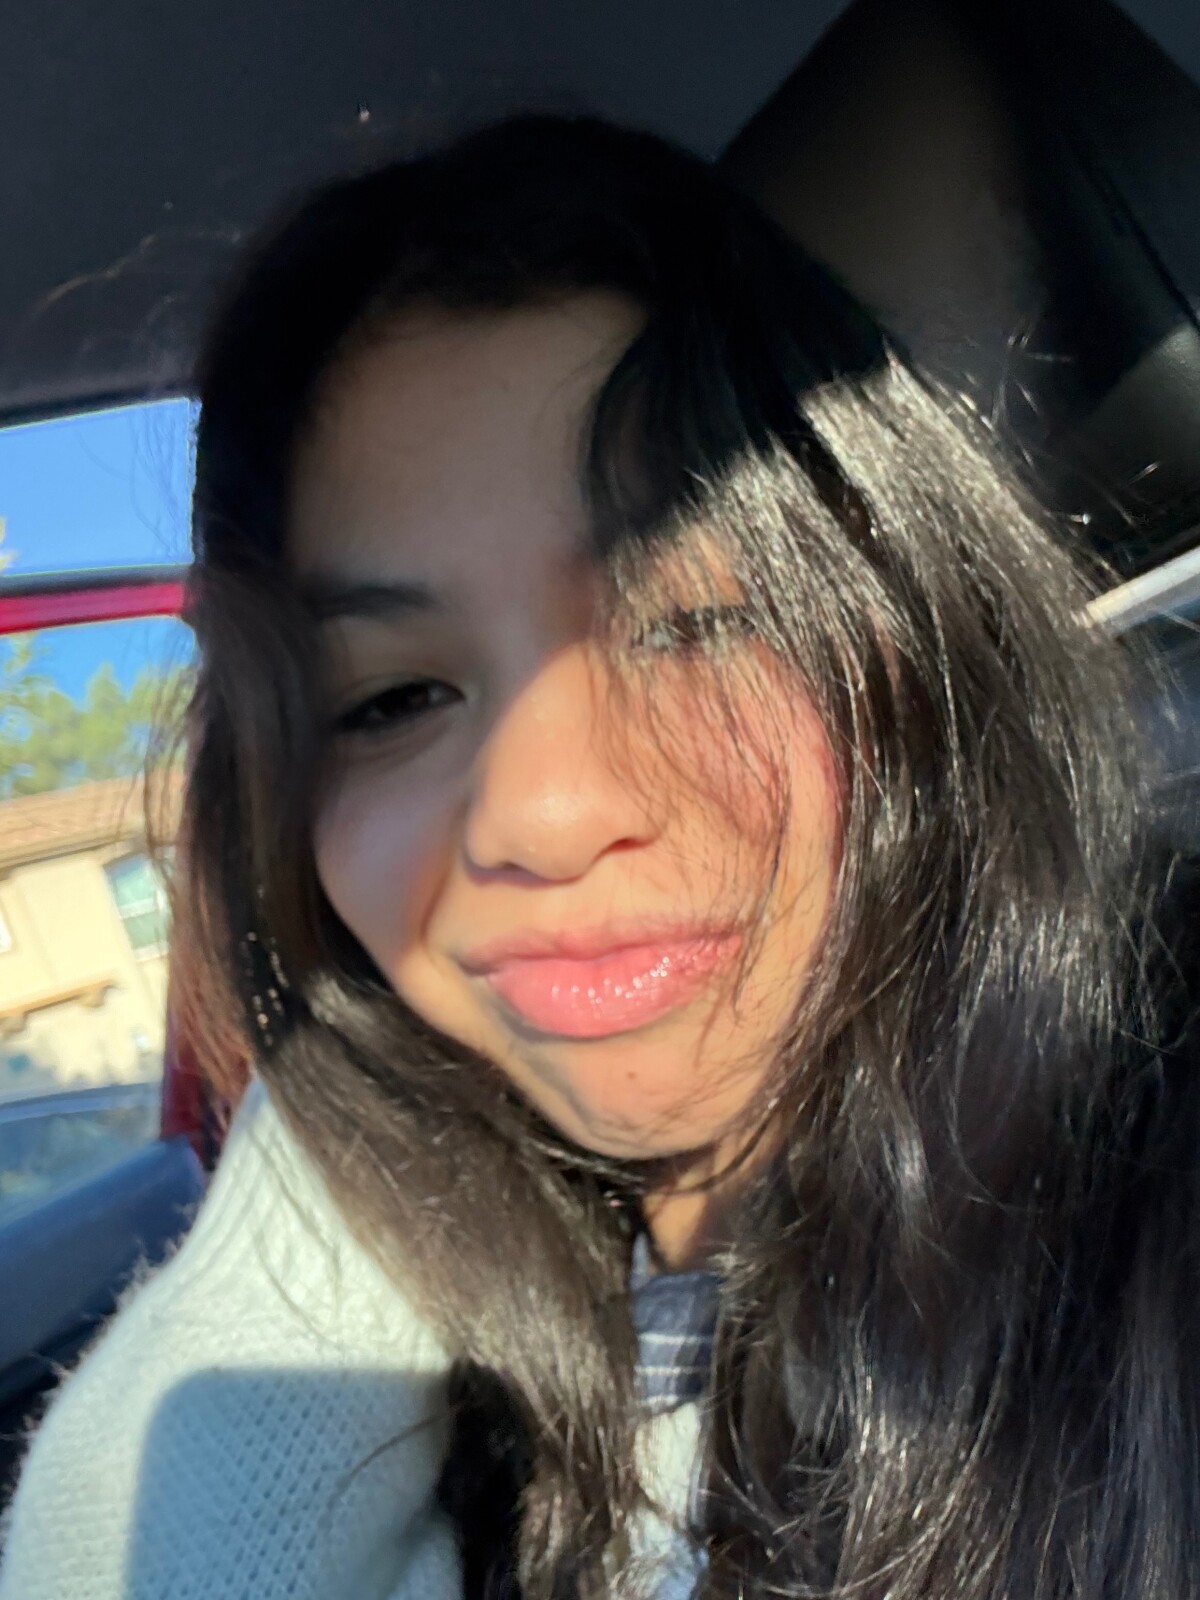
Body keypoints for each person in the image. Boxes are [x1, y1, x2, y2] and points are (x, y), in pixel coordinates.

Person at [2, 115, 1198, 1600]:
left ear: (916, 637)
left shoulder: (1137, 1189)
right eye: (390, 699)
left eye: (698, 621)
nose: (543, 813)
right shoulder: (484, 1338)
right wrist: (359, 1131)